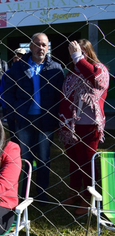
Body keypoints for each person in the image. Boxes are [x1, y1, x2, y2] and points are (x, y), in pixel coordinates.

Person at [3, 32, 64, 201]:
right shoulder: (17, 68)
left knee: (44, 157)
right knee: (24, 157)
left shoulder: (56, 69)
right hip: (24, 119)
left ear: (48, 47)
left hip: (46, 120)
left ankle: (42, 192)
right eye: (37, 44)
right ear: (30, 46)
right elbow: (7, 94)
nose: (41, 48)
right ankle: (24, 192)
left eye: (44, 45)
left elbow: (61, 96)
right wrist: (15, 111)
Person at [59, 39, 109, 215]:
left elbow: (97, 80)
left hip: (90, 127)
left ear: (87, 52)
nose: (75, 57)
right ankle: (74, 193)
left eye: (80, 52)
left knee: (86, 163)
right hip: (71, 127)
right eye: (73, 53)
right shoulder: (72, 73)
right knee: (74, 162)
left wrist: (78, 58)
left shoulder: (99, 69)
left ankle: (89, 199)